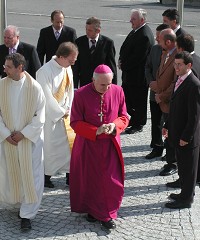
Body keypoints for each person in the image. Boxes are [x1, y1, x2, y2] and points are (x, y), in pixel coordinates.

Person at [69, 64, 129, 229]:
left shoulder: (117, 91)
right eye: (103, 84)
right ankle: (92, 210)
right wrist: (96, 130)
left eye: (109, 83)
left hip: (110, 144)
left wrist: (114, 125)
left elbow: (124, 116)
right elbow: (74, 121)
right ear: (93, 80)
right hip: (89, 145)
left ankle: (107, 214)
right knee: (90, 180)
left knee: (110, 181)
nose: (107, 88)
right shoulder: (81, 94)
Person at [0, 53, 45, 230]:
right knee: (9, 173)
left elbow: (40, 116)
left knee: (31, 177)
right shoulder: (1, 85)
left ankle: (27, 214)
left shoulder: (35, 88)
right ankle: (13, 202)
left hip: (29, 142)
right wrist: (5, 134)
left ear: (20, 68)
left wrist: (23, 134)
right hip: (8, 140)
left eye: (8, 67)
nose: (5, 69)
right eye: (5, 66)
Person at [36, 42, 78, 188]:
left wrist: (69, 108)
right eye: (71, 60)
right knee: (50, 148)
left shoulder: (67, 68)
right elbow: (46, 96)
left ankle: (70, 175)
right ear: (61, 56)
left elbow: (70, 90)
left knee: (69, 147)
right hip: (50, 117)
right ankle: (46, 176)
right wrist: (59, 111)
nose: (73, 63)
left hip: (66, 114)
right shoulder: (44, 71)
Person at [164, 51, 200, 209]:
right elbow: (174, 107)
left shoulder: (194, 84)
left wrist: (186, 136)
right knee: (183, 167)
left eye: (179, 65)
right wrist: (166, 125)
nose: (176, 67)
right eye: (175, 64)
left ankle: (186, 199)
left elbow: (194, 116)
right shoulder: (180, 79)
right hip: (177, 133)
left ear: (189, 65)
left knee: (189, 168)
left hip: (187, 137)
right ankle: (185, 192)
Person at [119, 8, 155, 134]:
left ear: (142, 20)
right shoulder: (136, 31)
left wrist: (123, 65)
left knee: (138, 101)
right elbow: (125, 48)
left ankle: (138, 123)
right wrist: (121, 60)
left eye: (133, 19)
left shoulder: (144, 35)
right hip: (130, 75)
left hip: (138, 77)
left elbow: (138, 58)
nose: (130, 21)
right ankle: (134, 121)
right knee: (128, 99)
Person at [149, 28, 177, 176]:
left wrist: (162, 95)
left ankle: (173, 163)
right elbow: (160, 75)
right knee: (167, 132)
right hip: (161, 99)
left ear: (167, 41)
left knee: (171, 134)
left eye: (159, 40)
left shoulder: (177, 56)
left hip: (169, 102)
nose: (157, 42)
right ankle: (169, 160)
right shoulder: (165, 53)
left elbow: (175, 82)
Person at [145, 23, 170, 159]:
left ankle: (170, 152)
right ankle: (157, 147)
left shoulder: (175, 52)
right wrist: (151, 82)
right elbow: (147, 67)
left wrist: (161, 87)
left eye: (158, 37)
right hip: (154, 93)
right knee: (155, 122)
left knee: (168, 123)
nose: (156, 39)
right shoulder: (154, 49)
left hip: (166, 95)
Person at [72, 17, 117, 88]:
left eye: (90, 30)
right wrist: (74, 86)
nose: (87, 32)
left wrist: (114, 86)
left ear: (98, 31)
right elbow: (76, 66)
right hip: (84, 84)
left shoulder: (108, 43)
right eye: (86, 29)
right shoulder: (79, 42)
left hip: (101, 84)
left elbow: (111, 66)